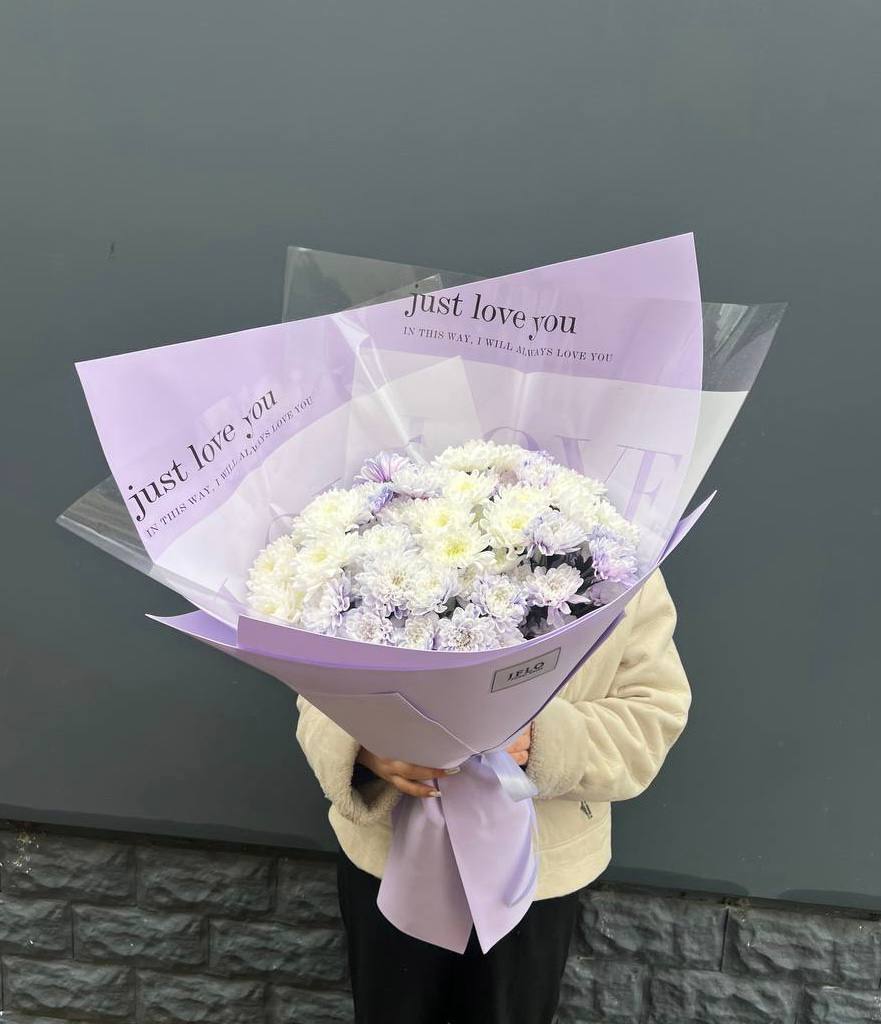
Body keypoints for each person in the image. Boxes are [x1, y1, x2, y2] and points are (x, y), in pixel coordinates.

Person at [296, 568, 691, 1024]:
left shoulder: (624, 565)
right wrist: (364, 744)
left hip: (534, 875)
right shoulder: (369, 542)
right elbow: (313, 677)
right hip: (388, 857)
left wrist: (543, 741)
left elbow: (651, 718)